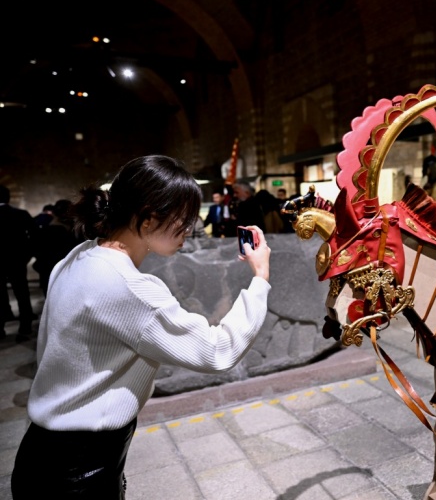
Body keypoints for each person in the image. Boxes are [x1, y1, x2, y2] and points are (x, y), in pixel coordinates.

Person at [11, 155, 271, 498]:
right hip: (81, 471)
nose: (189, 230)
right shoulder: (129, 286)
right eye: (184, 220)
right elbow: (217, 350)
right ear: (148, 220)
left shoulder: (77, 257)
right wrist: (261, 277)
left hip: (39, 453)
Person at [0, 184, 36, 342]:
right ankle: (25, 325)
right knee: (22, 292)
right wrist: (27, 255)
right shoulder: (20, 214)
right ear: (8, 198)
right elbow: (34, 236)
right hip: (17, 260)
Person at [32, 199, 79, 296]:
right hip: (68, 274)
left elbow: (36, 250)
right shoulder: (73, 232)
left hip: (49, 272)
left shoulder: (45, 230)